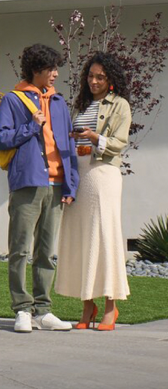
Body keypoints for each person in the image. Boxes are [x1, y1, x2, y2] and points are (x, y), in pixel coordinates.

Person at [0, 43, 79, 333]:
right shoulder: (13, 100)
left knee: (46, 252)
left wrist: (71, 184)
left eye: (56, 68)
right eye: (50, 69)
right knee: (19, 249)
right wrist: (32, 126)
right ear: (35, 70)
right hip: (27, 183)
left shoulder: (59, 102)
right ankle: (22, 309)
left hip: (56, 185)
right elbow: (0, 140)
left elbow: (68, 147)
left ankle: (43, 311)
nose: (55, 74)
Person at [55, 51, 131, 330]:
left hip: (102, 173)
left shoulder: (120, 105)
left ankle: (111, 306)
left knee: (105, 236)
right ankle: (88, 305)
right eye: (90, 76)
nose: (94, 81)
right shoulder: (81, 105)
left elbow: (119, 142)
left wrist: (94, 137)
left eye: (100, 77)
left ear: (110, 79)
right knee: (80, 238)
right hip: (78, 173)